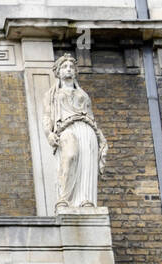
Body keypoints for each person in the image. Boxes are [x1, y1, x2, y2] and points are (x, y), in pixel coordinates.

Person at [42, 54, 107, 211]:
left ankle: (85, 200)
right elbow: (47, 116)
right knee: (70, 157)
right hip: (66, 128)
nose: (68, 69)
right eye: (64, 67)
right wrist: (48, 133)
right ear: (58, 71)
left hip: (86, 129)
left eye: (71, 67)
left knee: (86, 162)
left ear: (75, 71)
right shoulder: (52, 94)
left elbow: (91, 117)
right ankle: (64, 198)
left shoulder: (83, 95)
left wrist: (101, 138)